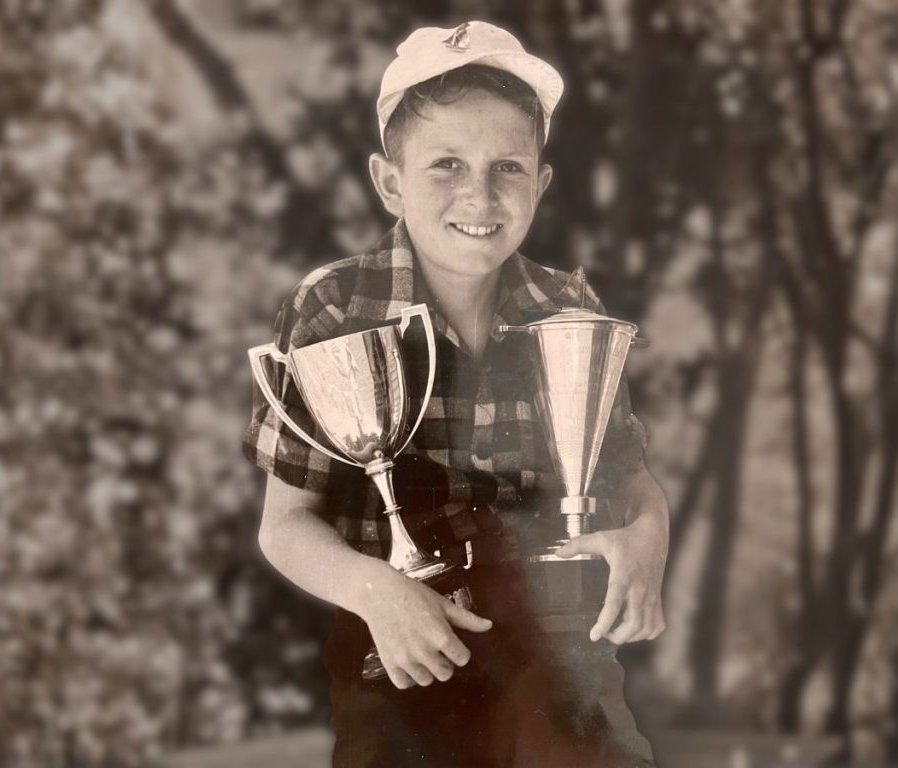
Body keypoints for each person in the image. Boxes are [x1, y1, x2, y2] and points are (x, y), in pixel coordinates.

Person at [243, 21, 669, 767]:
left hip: (555, 646)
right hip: (403, 649)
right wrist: (377, 595)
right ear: (389, 182)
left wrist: (647, 544)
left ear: (538, 183)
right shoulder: (336, 308)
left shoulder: (566, 306)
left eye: (507, 167)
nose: (480, 194)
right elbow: (286, 528)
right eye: (446, 164)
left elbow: (631, 478)